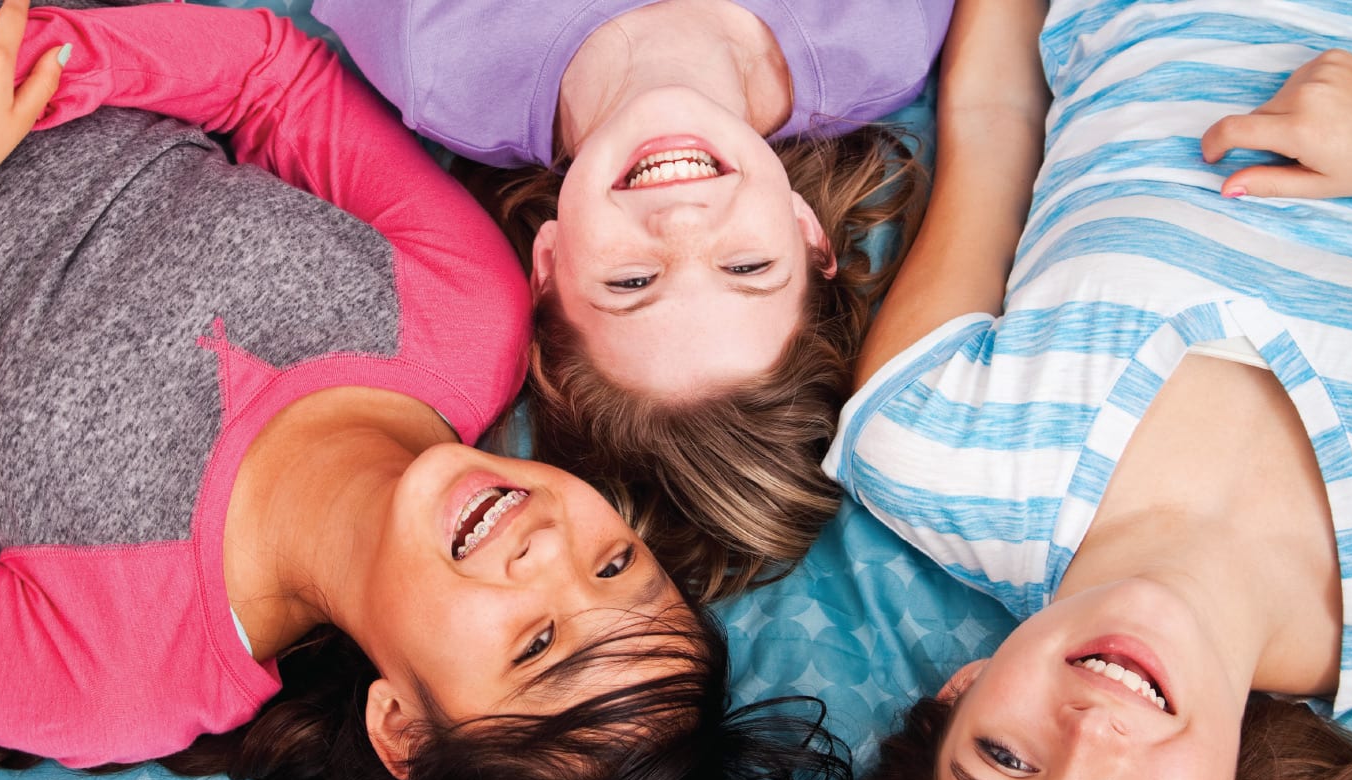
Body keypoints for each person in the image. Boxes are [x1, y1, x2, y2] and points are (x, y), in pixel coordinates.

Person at [0, 0, 850, 780]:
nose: (550, 551)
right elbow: (276, 77)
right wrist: (47, 66)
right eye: (615, 565)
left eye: (538, 644)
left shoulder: (114, 673)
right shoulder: (466, 320)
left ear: (400, 726)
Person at [812, 0, 1352, 780]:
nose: (1090, 734)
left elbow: (991, 112)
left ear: (959, 692)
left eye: (1003, 758)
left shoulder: (927, 442)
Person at [311, 0, 942, 599]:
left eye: (632, 282)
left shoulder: (440, 58)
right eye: (746, 266)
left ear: (550, 264)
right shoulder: (882, 32)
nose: (682, 224)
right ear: (807, 231)